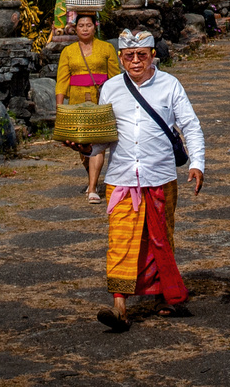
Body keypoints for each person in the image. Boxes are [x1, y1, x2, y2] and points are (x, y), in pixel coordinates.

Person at [65, 29, 205, 332]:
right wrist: (87, 147)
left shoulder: (170, 85)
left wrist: (198, 163)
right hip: (122, 178)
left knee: (160, 238)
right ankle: (119, 307)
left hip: (161, 176)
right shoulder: (112, 88)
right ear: (121, 58)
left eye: (142, 54)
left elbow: (190, 126)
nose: (136, 61)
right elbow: (104, 138)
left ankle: (162, 296)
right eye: (129, 56)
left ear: (153, 55)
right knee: (120, 241)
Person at [55, 14, 120, 203]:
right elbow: (62, 80)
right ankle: (93, 178)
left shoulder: (107, 48)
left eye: (88, 25)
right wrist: (60, 108)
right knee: (81, 145)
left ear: (95, 27)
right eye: (81, 25)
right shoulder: (68, 52)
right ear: (75, 28)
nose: (85, 29)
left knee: (96, 145)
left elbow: (116, 79)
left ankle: (92, 188)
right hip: (76, 103)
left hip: (100, 102)